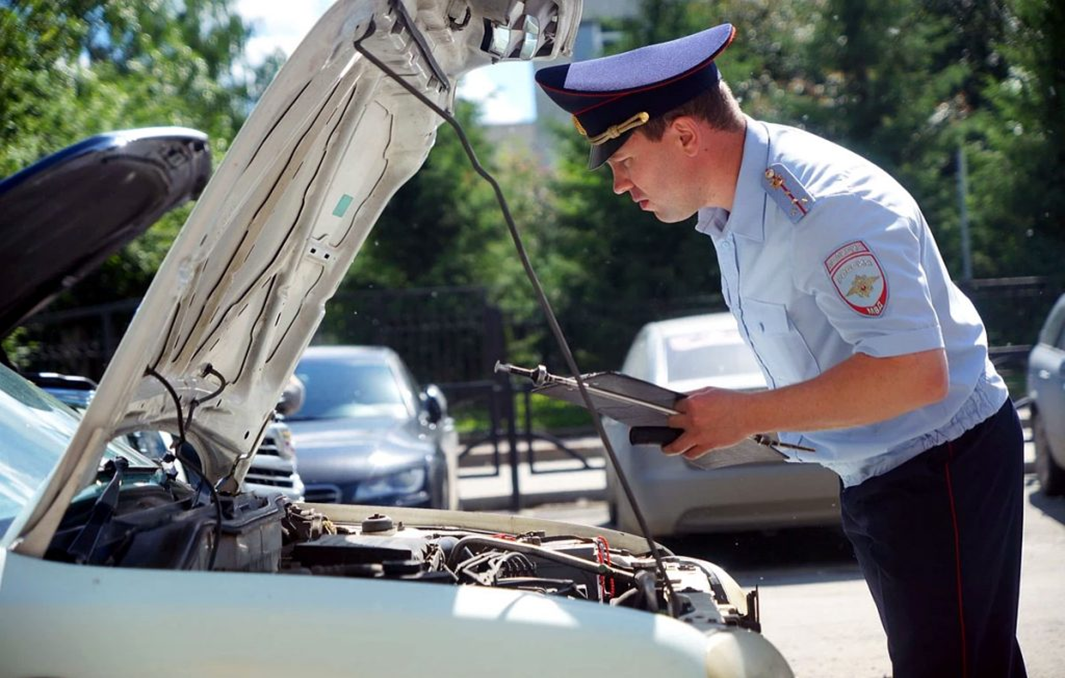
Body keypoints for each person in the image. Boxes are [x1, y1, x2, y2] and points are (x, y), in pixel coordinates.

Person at [536, 23, 1026, 678]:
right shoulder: (735, 208)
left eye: (621, 160)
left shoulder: (823, 207)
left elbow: (913, 374)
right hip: (887, 472)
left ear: (683, 135)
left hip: (939, 466)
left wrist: (746, 414)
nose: (619, 184)